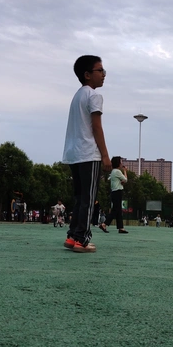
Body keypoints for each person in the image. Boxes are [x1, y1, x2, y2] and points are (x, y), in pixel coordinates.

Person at [62, 55, 111, 253]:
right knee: (89, 200)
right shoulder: (94, 96)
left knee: (80, 198)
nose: (104, 74)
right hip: (89, 154)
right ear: (87, 75)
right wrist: (105, 156)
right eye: (100, 70)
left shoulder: (77, 96)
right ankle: (82, 240)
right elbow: (96, 127)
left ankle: (72, 237)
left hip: (74, 154)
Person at [100, 157, 128, 234]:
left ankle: (121, 227)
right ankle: (104, 224)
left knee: (118, 210)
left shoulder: (113, 171)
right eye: (121, 162)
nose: (121, 163)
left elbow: (111, 179)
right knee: (115, 210)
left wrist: (120, 181)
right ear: (118, 163)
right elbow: (125, 180)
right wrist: (125, 171)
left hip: (114, 192)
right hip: (117, 191)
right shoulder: (117, 171)